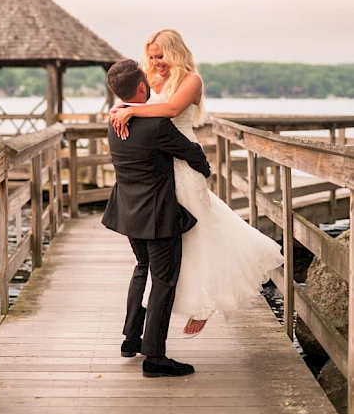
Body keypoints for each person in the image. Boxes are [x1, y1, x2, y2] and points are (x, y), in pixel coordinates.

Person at [110, 29, 284, 337]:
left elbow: (171, 110)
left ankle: (205, 304)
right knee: (171, 243)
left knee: (201, 232)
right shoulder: (148, 79)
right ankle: (161, 316)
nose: (155, 62)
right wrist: (121, 108)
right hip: (158, 167)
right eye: (150, 56)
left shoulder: (191, 80)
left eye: (160, 56)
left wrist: (131, 110)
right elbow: (136, 104)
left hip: (184, 161)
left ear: (175, 52)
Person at [101, 59, 211, 378]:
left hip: (128, 211)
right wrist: (205, 169)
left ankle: (131, 338)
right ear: (141, 87)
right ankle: (155, 356)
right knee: (164, 281)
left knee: (141, 268)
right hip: (158, 215)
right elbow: (189, 151)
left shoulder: (113, 121)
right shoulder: (156, 125)